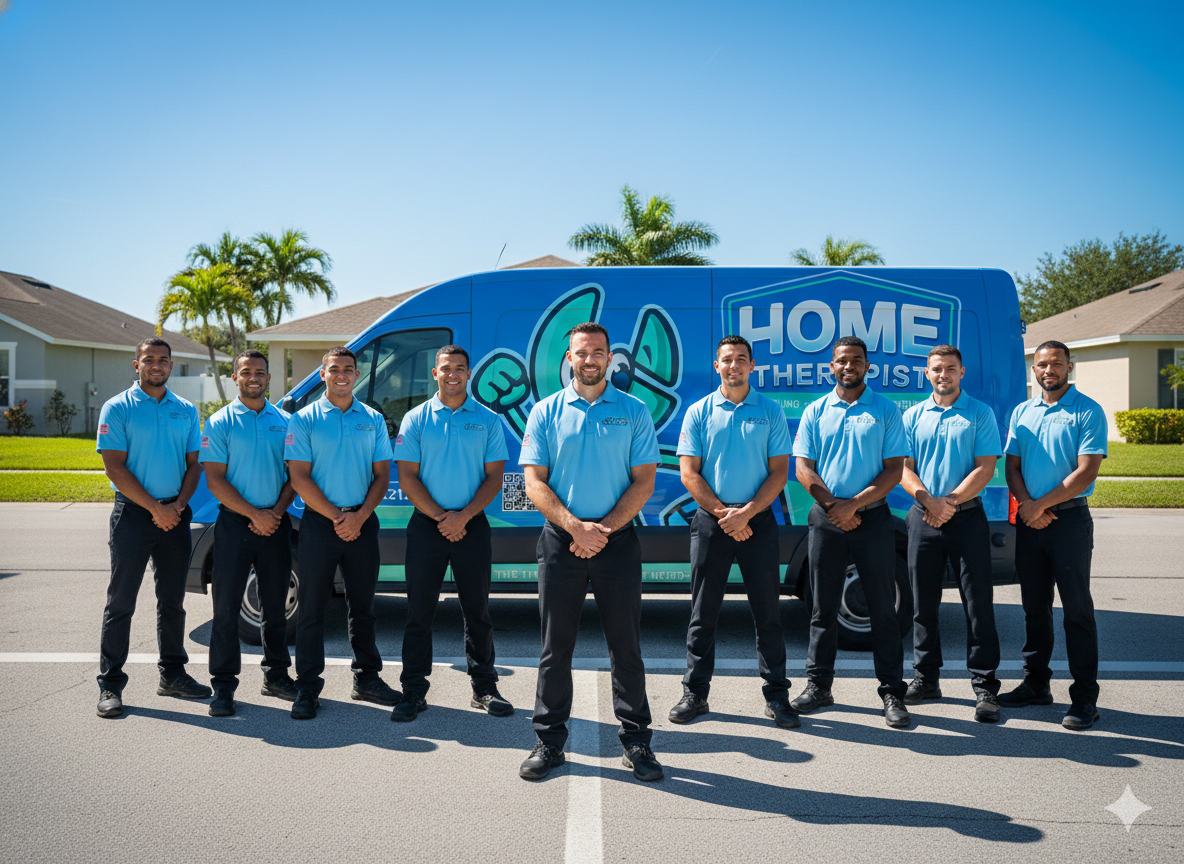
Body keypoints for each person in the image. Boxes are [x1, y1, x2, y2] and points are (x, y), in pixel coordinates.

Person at [517, 322, 662, 782]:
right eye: (582, 352)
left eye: (598, 351)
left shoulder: (634, 410)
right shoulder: (545, 411)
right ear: (570, 359)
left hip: (616, 543)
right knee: (554, 648)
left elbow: (644, 482)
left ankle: (638, 742)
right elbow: (534, 482)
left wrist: (602, 530)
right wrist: (575, 528)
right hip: (561, 541)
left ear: (609, 357)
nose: (590, 359)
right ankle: (548, 742)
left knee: (627, 647)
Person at [670, 335, 798, 729]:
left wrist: (748, 513)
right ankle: (695, 693)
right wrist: (725, 513)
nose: (734, 365)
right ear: (717, 366)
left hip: (757, 521)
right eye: (727, 359)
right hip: (713, 520)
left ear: (752, 365)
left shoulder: (771, 411)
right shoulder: (699, 412)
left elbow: (779, 472)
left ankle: (777, 696)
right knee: (702, 612)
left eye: (741, 359)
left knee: (768, 613)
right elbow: (689, 472)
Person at [791, 336, 912, 728]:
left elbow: (894, 469)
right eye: (842, 360)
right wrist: (833, 506)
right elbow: (803, 468)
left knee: (882, 609)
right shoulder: (815, 411)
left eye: (856, 360)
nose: (849, 366)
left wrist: (853, 505)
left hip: (873, 519)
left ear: (867, 366)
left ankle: (892, 692)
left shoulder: (886, 410)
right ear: (831, 366)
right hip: (826, 518)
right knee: (822, 608)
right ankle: (819, 686)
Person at [392, 345, 512, 721]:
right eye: (446, 368)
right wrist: (443, 517)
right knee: (419, 612)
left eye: (460, 368)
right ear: (434, 373)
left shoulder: (489, 420)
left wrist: (463, 517)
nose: (453, 374)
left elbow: (495, 477)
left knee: (477, 611)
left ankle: (484, 688)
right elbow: (407, 476)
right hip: (427, 527)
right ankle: (413, 690)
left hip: (472, 527)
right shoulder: (414, 419)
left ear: (469, 372)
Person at [94, 337, 210, 718]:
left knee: (173, 602)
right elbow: (115, 467)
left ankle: (172, 676)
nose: (156, 365)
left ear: (171, 366)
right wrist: (154, 508)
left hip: (175, 516)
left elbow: (195, 465)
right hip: (133, 516)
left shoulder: (185, 410)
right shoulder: (118, 407)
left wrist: (175, 507)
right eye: (149, 360)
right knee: (121, 602)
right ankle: (111, 685)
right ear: (136, 365)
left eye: (163, 360)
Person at [284, 347, 400, 720]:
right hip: (321, 524)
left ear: (357, 374)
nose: (342, 375)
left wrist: (360, 516)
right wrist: (338, 517)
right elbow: (298, 476)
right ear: (323, 375)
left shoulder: (373, 419)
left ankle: (366, 679)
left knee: (363, 607)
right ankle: (307, 687)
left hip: (363, 523)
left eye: (349, 369)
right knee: (313, 609)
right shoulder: (304, 419)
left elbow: (382, 474)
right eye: (335, 369)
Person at [998, 340, 1107, 730]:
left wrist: (1039, 505)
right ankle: (1036, 685)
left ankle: (1084, 699)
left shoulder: (1087, 411)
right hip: (1032, 522)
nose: (1049, 370)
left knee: (1077, 611)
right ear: (1034, 369)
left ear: (1069, 367)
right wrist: (1029, 504)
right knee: (1034, 609)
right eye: (1042, 364)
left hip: (1069, 522)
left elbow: (1086, 472)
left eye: (1056, 364)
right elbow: (1012, 467)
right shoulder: (1022, 412)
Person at [900, 345, 1003, 723]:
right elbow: (903, 468)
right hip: (922, 516)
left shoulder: (979, 413)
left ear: (962, 373)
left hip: (966, 518)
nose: (943, 374)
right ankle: (926, 678)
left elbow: (985, 468)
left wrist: (950, 503)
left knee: (977, 605)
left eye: (950, 369)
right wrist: (929, 502)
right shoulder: (912, 416)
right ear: (927, 374)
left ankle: (985, 686)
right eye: (936, 369)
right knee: (921, 604)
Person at [199, 349, 298, 717]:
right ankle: (223, 686)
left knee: (275, 609)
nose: (253, 377)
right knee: (224, 609)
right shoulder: (220, 422)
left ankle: (276, 676)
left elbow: (295, 477)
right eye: (246, 371)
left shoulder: (287, 422)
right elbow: (215, 479)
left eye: (259, 371)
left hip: (275, 522)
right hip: (234, 525)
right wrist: (254, 514)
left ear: (269, 378)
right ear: (235, 377)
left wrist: (274, 512)